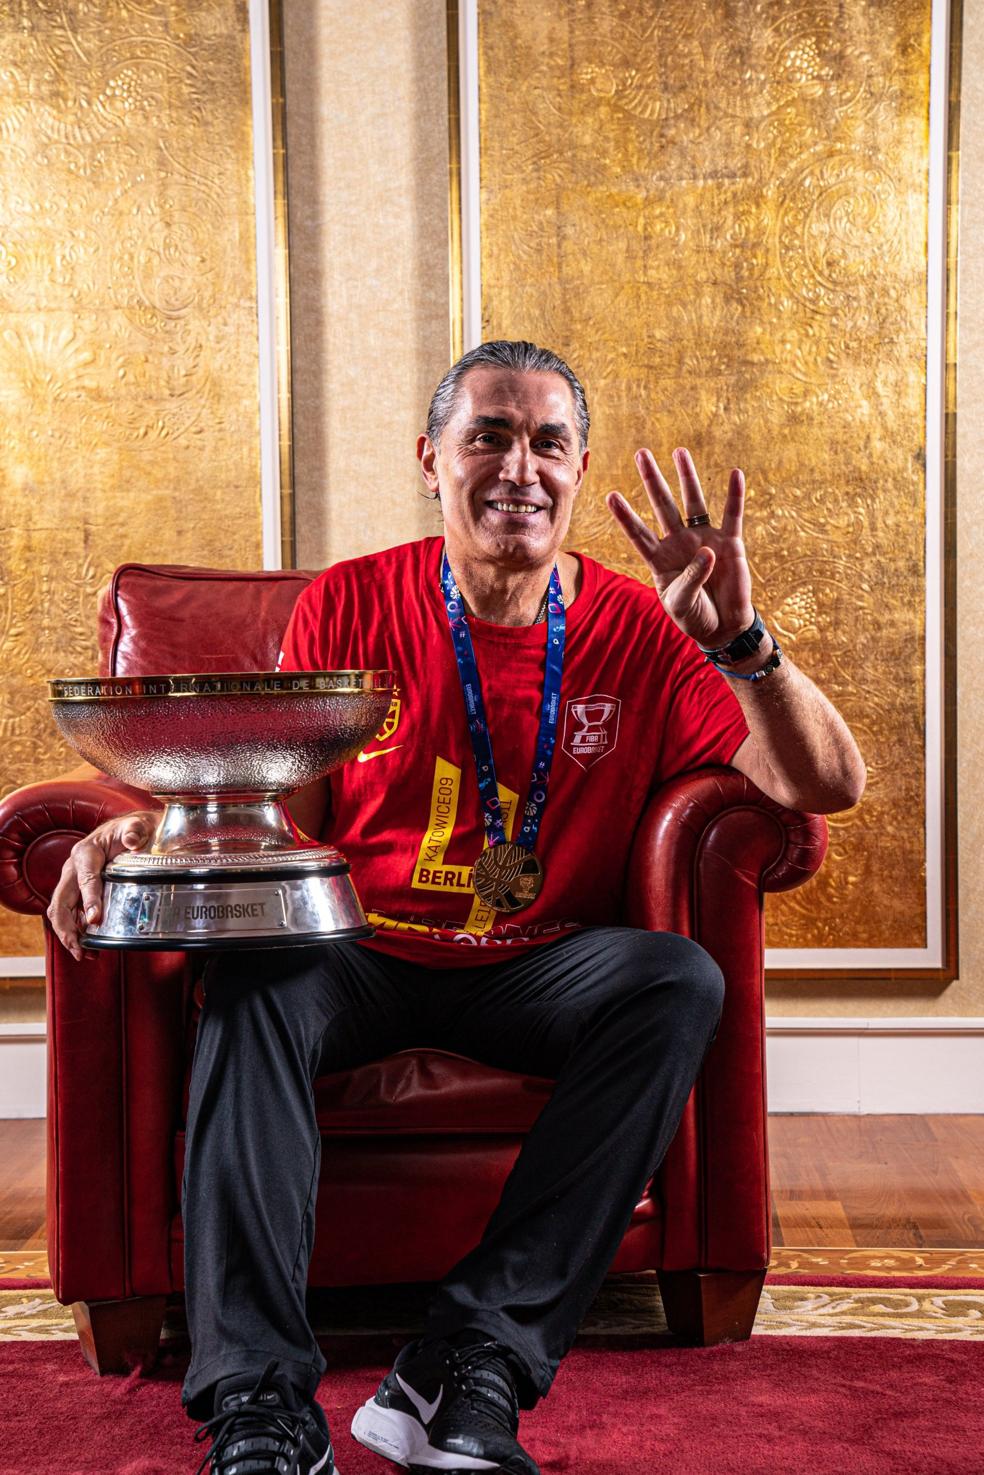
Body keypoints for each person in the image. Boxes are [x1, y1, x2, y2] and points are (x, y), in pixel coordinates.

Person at [48, 340, 865, 1475]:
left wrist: (741, 641)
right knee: (253, 979)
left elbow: (828, 785)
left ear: (578, 472)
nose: (519, 467)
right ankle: (258, 1403)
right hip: (361, 946)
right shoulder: (350, 603)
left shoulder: (642, 626)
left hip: (542, 961)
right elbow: (274, 805)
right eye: (489, 435)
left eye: (548, 443)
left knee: (677, 978)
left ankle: (467, 1360)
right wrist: (150, 826)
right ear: (432, 460)